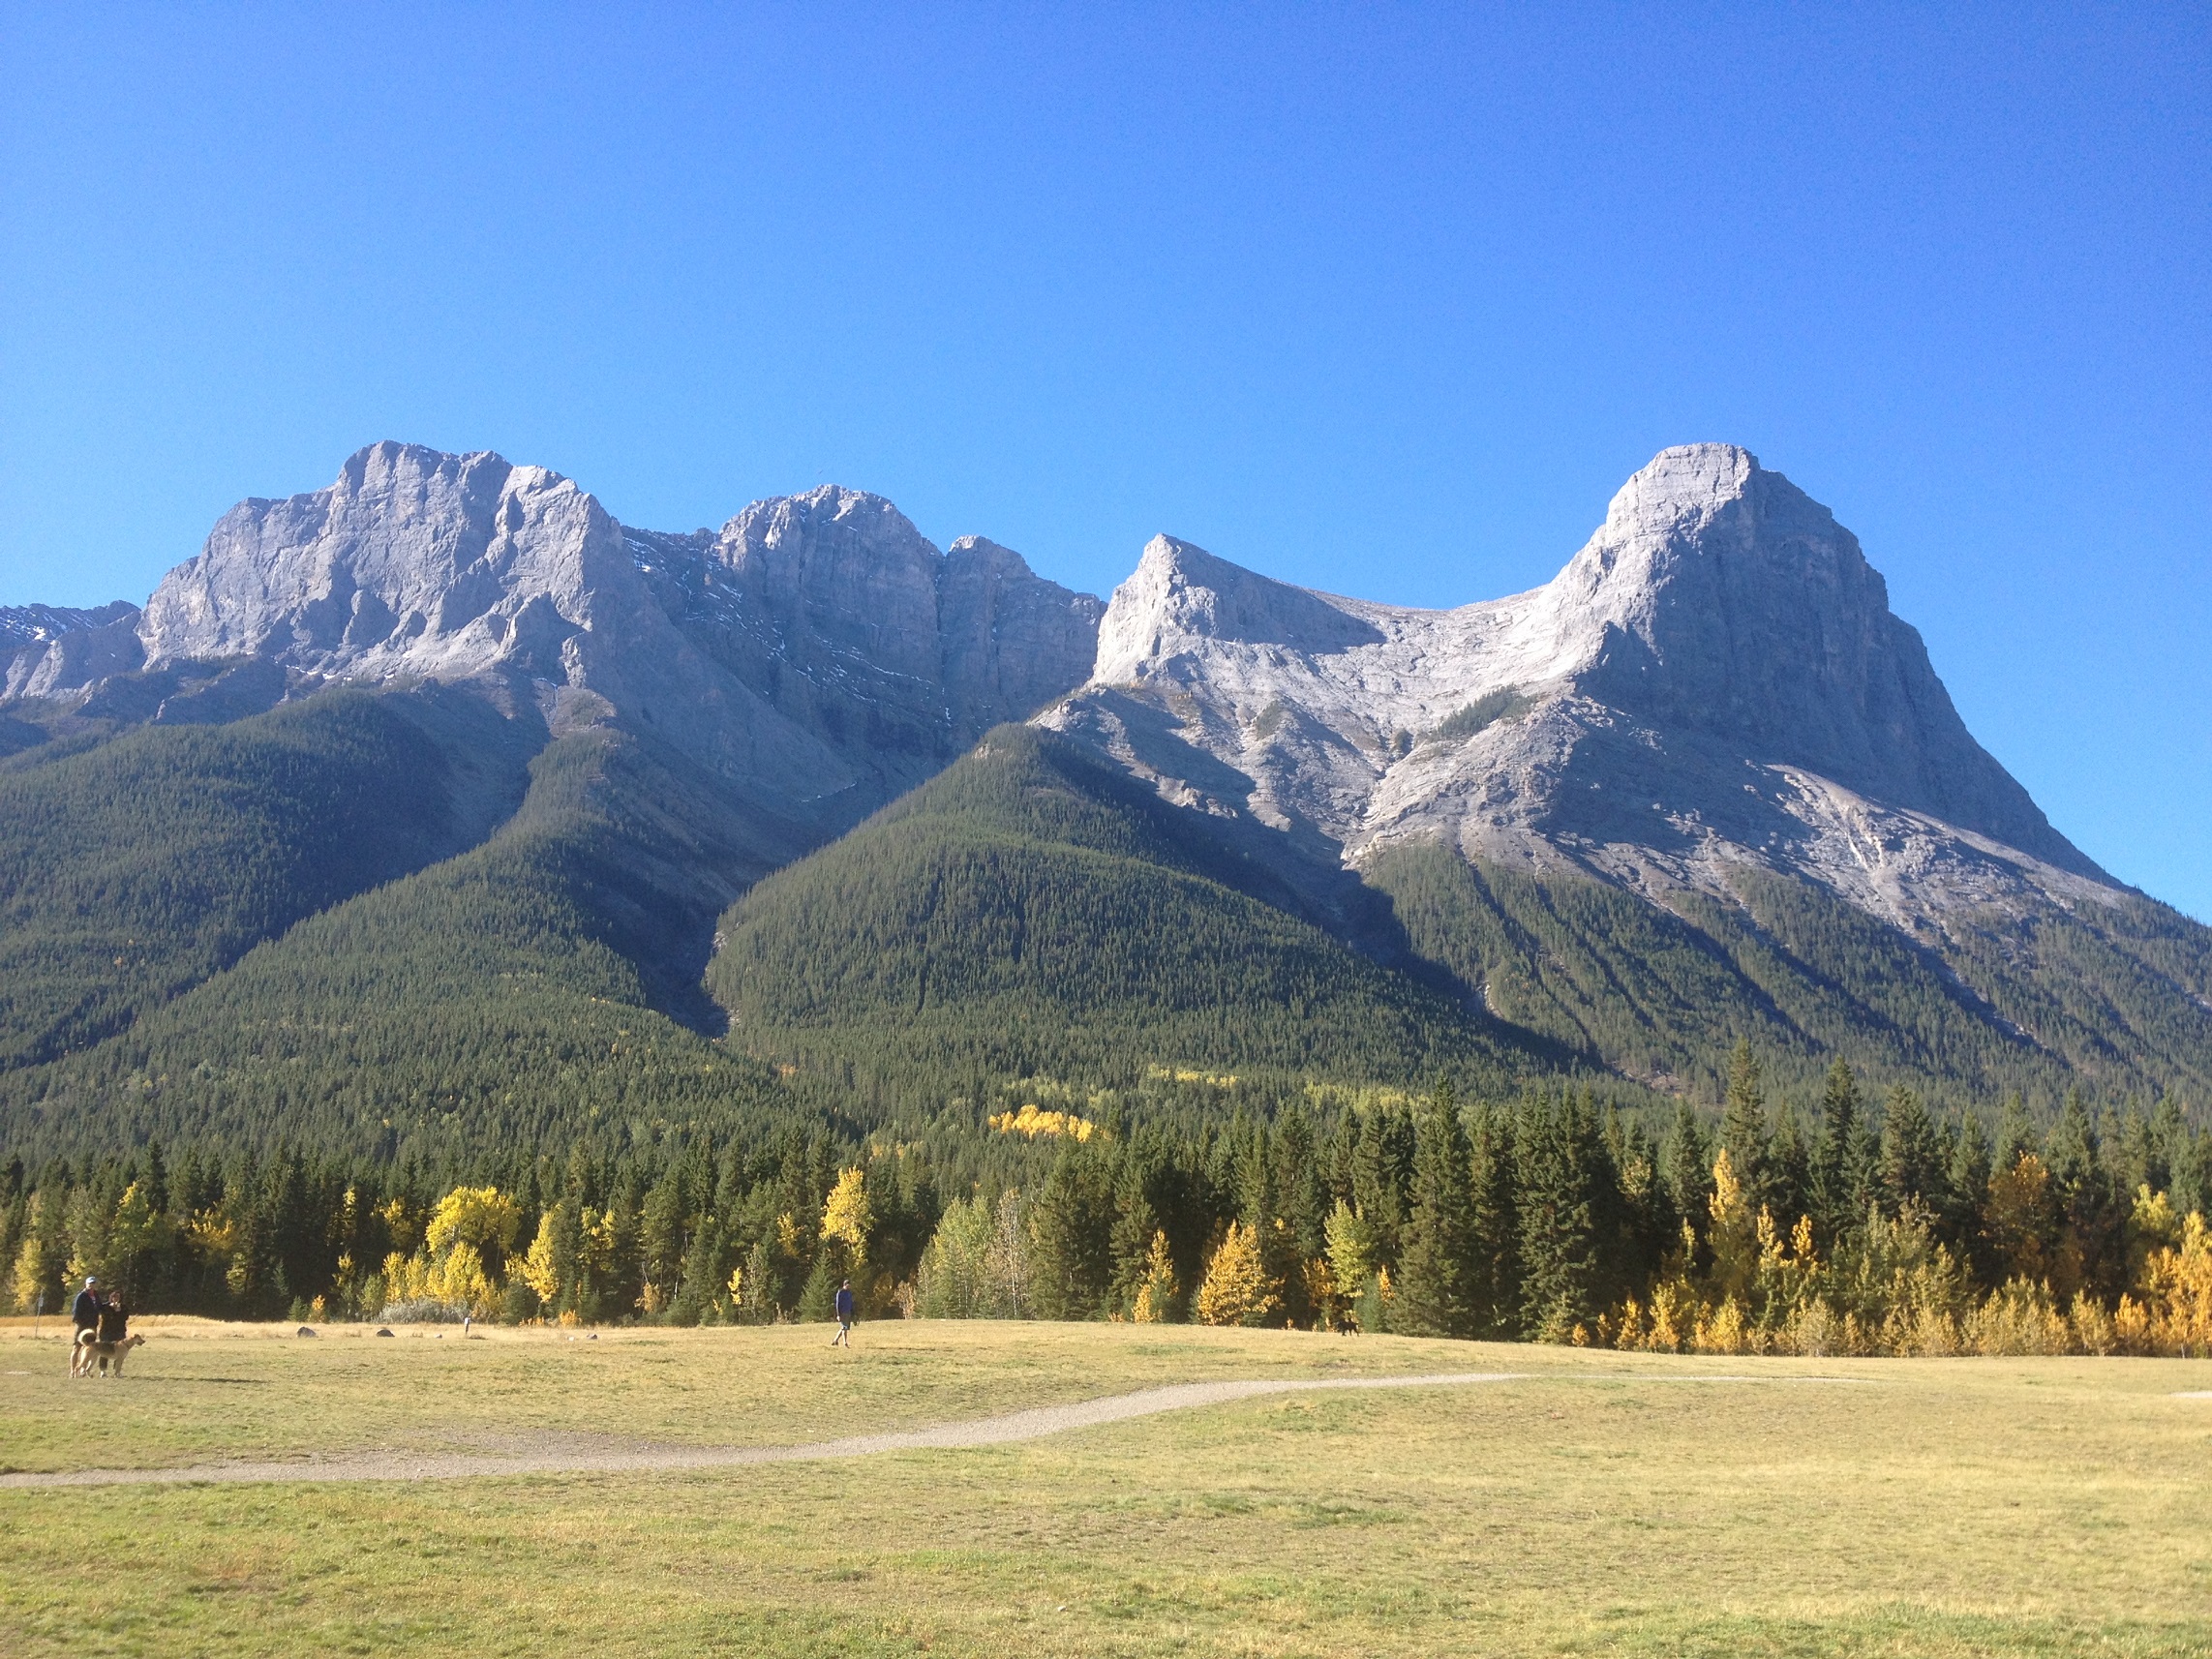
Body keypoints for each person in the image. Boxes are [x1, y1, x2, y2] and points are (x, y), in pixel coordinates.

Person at [832, 1279, 855, 1347]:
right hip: (842, 1313)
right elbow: (837, 1304)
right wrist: (838, 1315)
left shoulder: (849, 1293)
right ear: (845, 1285)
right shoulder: (840, 1292)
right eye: (848, 1285)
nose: (849, 1286)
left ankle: (835, 1340)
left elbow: (851, 1303)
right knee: (844, 1328)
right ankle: (845, 1343)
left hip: (848, 1312)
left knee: (844, 1328)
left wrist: (853, 1312)